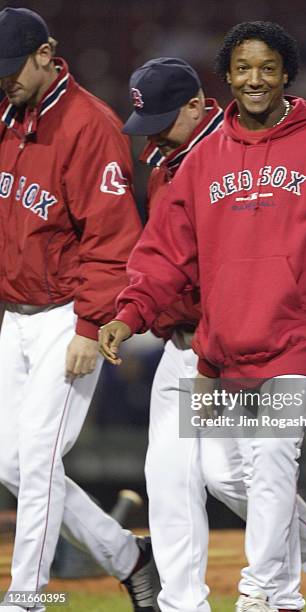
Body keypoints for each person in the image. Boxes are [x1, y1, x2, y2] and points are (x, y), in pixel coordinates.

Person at [100, 21, 306, 612]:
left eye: (267, 67)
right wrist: (131, 311)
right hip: (225, 348)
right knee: (223, 476)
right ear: (228, 76)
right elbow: (165, 251)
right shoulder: (206, 156)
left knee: (270, 452)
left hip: (299, 342)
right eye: (243, 68)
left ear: (287, 72)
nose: (255, 78)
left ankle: (268, 597)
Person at [0, 7, 156, 611]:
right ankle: (128, 557)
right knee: (12, 464)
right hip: (13, 316)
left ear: (47, 52)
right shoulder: (10, 115)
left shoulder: (91, 125)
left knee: (38, 454)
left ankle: (26, 597)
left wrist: (91, 325)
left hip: (68, 315)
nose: (6, 78)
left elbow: (114, 240)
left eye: (14, 66)